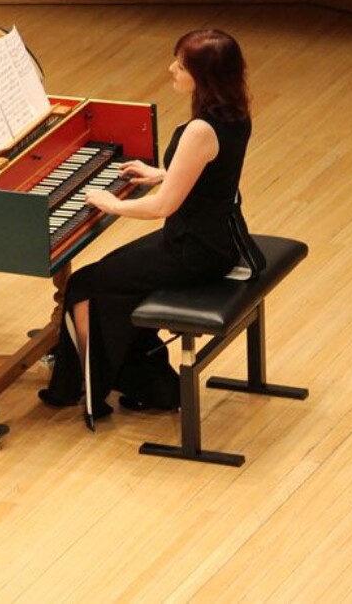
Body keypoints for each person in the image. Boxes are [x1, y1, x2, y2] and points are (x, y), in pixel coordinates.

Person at [39, 29, 262, 427]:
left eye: (182, 65)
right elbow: (213, 174)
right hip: (214, 241)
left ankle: (82, 390)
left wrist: (112, 203)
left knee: (85, 284)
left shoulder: (200, 130)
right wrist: (163, 173)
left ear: (204, 76)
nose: (172, 69)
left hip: (191, 252)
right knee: (111, 282)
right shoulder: (235, 113)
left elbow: (162, 207)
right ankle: (151, 385)